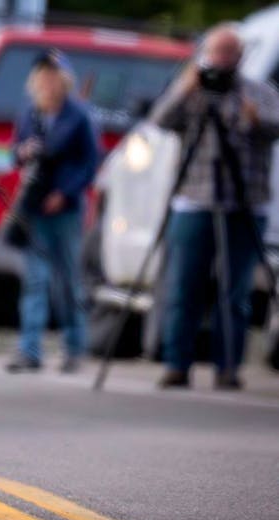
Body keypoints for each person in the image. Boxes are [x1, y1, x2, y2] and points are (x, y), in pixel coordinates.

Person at [150, 24, 279, 390]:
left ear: (240, 56)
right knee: (183, 285)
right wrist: (187, 87)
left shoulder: (259, 92)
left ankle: (227, 367)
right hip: (194, 198)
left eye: (229, 52)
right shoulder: (192, 89)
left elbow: (276, 126)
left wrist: (257, 120)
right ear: (205, 53)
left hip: (244, 202)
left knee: (234, 290)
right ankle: (176, 363)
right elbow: (160, 121)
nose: (222, 59)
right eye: (216, 51)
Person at [6, 50, 100, 374]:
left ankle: (75, 346)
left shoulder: (79, 116)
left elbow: (90, 162)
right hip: (33, 206)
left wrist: (66, 192)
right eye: (42, 76)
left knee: (67, 280)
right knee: (34, 280)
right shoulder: (31, 115)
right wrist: (23, 151)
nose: (47, 82)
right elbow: (13, 154)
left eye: (53, 76)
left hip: (65, 209)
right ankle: (29, 349)